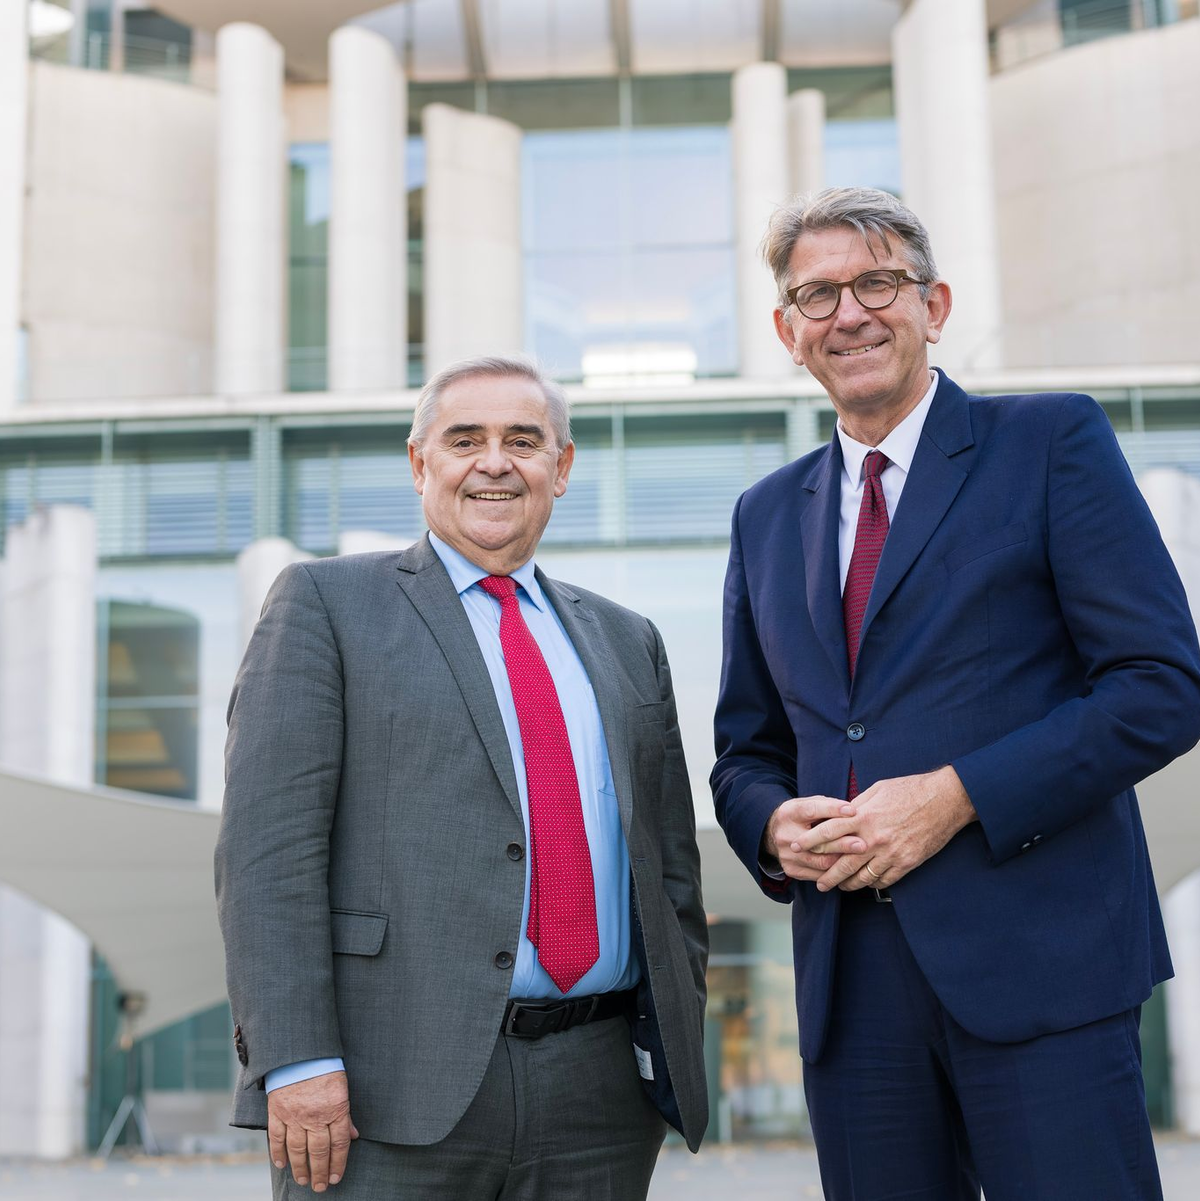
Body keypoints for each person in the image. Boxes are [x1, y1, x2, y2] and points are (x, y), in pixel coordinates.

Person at [711, 186, 1200, 1199]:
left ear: (932, 306)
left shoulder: (1051, 443)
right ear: (786, 332)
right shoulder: (764, 514)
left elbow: (1162, 685)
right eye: (818, 295)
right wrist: (770, 829)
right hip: (854, 991)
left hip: (1043, 967)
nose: (849, 313)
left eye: (877, 282)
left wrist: (956, 793)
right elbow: (746, 749)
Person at [215, 354, 707, 1199]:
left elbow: (668, 867)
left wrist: (676, 1027)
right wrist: (296, 1058)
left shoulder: (630, 639)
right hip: (383, 1091)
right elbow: (268, 856)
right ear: (419, 463)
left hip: (599, 1095)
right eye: (464, 438)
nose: (494, 462)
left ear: (562, 466)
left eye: (523, 439)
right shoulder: (327, 606)